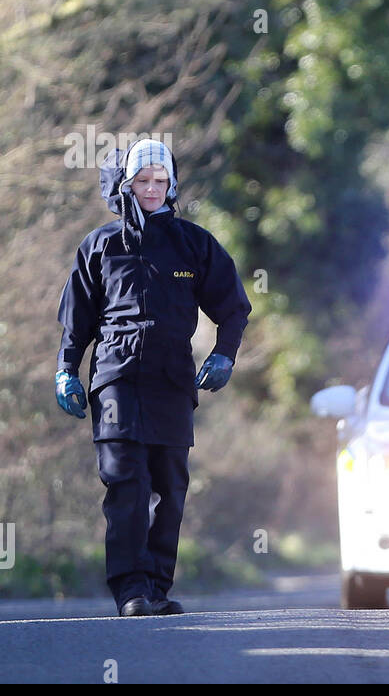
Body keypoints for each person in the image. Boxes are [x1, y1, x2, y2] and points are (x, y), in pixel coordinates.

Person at [55, 139, 252, 617]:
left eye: (159, 182)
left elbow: (233, 308)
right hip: (116, 377)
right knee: (127, 484)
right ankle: (131, 591)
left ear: (172, 185)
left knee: (171, 488)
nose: (151, 190)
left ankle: (158, 589)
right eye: (142, 181)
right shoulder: (100, 246)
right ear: (125, 185)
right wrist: (66, 369)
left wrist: (225, 355)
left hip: (172, 380)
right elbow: (76, 319)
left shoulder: (194, 243)